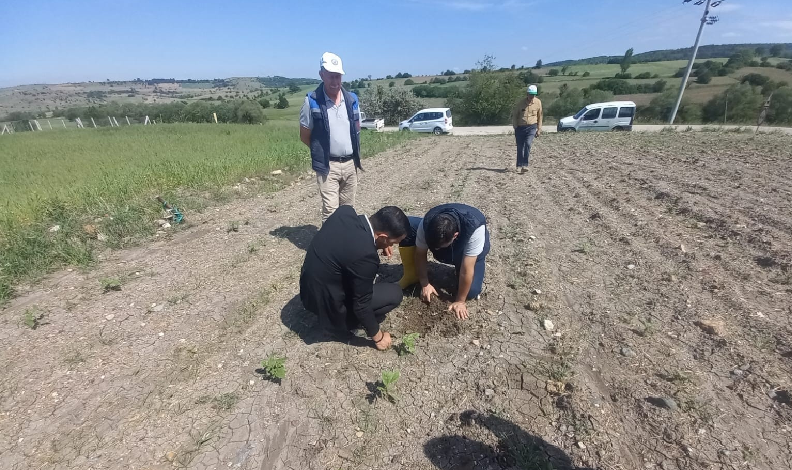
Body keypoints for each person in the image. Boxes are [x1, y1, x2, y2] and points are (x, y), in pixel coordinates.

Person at [299, 205, 411, 350]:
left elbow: (348, 244)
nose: (392, 246)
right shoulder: (366, 256)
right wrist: (379, 337)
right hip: (328, 308)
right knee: (394, 293)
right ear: (383, 236)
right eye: (393, 242)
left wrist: (379, 243)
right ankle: (340, 325)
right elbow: (362, 305)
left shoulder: (344, 212)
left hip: (308, 294)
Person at [299, 52, 362, 222]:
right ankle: (331, 248)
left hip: (350, 164)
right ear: (322, 75)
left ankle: (346, 246)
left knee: (349, 211)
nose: (335, 82)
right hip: (328, 166)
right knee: (331, 213)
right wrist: (322, 151)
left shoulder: (352, 99)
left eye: (338, 76)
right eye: (331, 77)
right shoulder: (311, 101)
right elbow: (305, 136)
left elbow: (357, 130)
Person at [398, 204, 489, 320]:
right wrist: (424, 283)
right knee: (408, 225)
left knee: (471, 292)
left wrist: (460, 301)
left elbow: (466, 270)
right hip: (443, 232)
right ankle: (412, 275)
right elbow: (420, 254)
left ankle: (457, 263)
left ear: (455, 236)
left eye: (440, 247)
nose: (436, 250)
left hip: (469, 251)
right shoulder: (426, 225)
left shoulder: (475, 229)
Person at [510, 84, 542, 174]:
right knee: (520, 147)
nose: (532, 96)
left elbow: (540, 116)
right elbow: (515, 115)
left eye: (534, 95)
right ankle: (519, 166)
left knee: (528, 144)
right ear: (527, 93)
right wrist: (515, 126)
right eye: (530, 94)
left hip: (532, 127)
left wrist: (539, 129)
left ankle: (525, 164)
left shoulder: (538, 103)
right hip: (520, 127)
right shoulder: (520, 103)